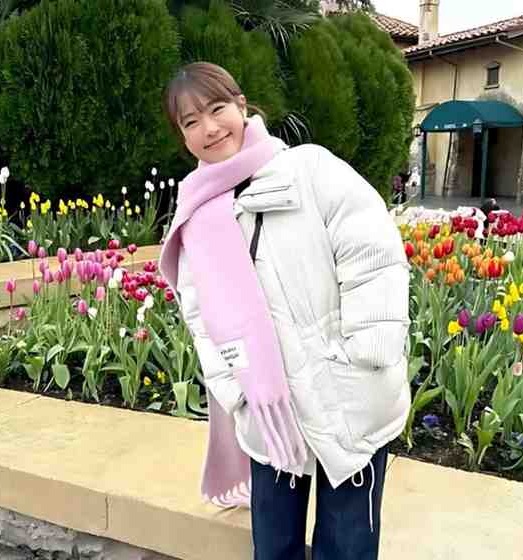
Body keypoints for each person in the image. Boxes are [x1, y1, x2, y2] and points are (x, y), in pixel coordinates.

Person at [157, 62, 411, 560]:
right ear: (182, 137)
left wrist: (366, 353)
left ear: (242, 105)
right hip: (266, 409)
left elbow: (372, 251)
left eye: (216, 109)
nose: (209, 128)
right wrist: (234, 391)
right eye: (190, 122)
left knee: (348, 544)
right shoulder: (195, 215)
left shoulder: (308, 169)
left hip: (346, 395)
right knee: (273, 546)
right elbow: (199, 315)